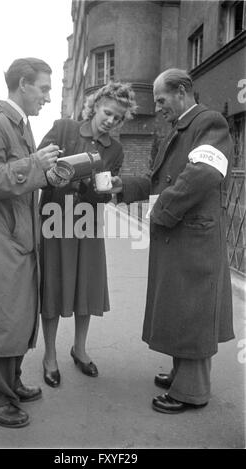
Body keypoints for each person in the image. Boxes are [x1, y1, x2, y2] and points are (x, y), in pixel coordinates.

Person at [111, 68, 234, 413]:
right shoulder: (182, 127)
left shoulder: (210, 124)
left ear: (181, 92)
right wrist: (126, 186)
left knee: (193, 311)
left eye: (162, 99)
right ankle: (183, 374)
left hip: (192, 236)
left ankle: (191, 391)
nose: (159, 107)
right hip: (183, 234)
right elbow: (159, 179)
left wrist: (161, 210)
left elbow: (204, 174)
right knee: (182, 307)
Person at [0, 58, 62, 428]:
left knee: (17, 314)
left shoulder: (19, 125)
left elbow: (18, 178)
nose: (48, 98)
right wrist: (34, 165)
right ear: (22, 83)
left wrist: (44, 171)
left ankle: (9, 383)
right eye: (44, 88)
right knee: (0, 316)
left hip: (16, 237)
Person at [38, 82, 137, 387]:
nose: (111, 121)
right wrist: (58, 175)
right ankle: (50, 355)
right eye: (108, 113)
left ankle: (79, 349)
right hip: (55, 219)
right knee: (53, 286)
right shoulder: (64, 129)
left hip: (89, 223)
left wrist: (96, 190)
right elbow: (38, 168)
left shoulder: (115, 149)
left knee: (86, 287)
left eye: (118, 118)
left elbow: (106, 194)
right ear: (95, 106)